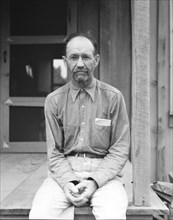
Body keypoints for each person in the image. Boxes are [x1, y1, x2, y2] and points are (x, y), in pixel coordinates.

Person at [29, 32, 130, 219]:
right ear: (65, 61)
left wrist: (94, 182)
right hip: (64, 173)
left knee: (112, 216)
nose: (80, 64)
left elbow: (120, 149)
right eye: (74, 57)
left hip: (105, 175)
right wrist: (68, 181)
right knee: (40, 214)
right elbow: (54, 152)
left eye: (86, 57)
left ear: (96, 60)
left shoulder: (113, 97)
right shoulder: (54, 100)